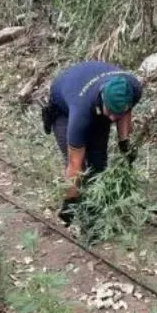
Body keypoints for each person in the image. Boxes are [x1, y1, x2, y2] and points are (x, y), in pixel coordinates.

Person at [41, 60, 142, 224]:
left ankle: (95, 208)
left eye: (117, 115)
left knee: (99, 163)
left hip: (92, 93)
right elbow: (75, 165)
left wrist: (124, 143)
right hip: (64, 109)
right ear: (102, 97)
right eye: (110, 113)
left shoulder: (132, 88)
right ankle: (75, 205)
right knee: (80, 166)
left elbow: (124, 111)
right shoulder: (80, 114)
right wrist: (70, 203)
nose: (112, 119)